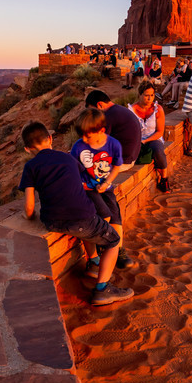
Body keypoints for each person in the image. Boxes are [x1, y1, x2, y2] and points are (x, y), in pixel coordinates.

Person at [20, 121, 134, 306]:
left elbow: (29, 207)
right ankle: (102, 289)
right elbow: (82, 180)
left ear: (27, 149)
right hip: (81, 218)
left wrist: (28, 216)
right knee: (112, 241)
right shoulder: (68, 158)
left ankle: (94, 263)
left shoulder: (30, 167)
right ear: (50, 139)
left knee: (88, 230)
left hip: (51, 221)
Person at [71, 108, 135, 271]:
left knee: (115, 216)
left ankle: (119, 250)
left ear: (101, 131)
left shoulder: (113, 144)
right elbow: (72, 168)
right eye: (82, 135)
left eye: (88, 136)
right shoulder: (79, 147)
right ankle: (101, 246)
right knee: (104, 214)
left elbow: (116, 166)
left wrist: (107, 183)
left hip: (106, 186)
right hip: (87, 187)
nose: (84, 139)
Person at [128, 81, 171, 192]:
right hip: (137, 140)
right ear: (140, 95)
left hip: (153, 138)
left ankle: (164, 179)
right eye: (147, 95)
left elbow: (160, 132)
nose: (150, 98)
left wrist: (146, 140)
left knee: (158, 150)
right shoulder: (131, 110)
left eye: (152, 95)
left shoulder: (158, 109)